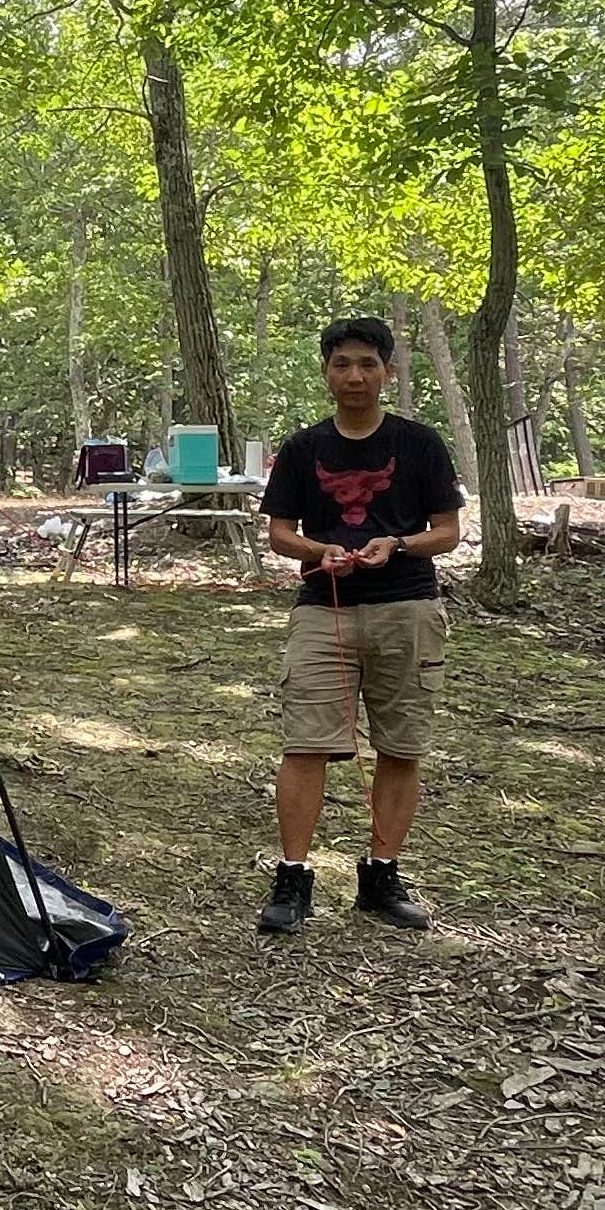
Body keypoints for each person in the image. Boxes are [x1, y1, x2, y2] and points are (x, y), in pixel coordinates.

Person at [255, 315, 466, 934]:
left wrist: (396, 545)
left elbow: (447, 532)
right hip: (324, 610)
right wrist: (319, 552)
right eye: (342, 363)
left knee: (401, 745)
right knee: (306, 742)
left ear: (388, 372)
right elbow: (279, 533)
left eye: (367, 364)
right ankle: (293, 878)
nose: (354, 375)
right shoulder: (302, 449)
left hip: (408, 608)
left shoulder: (420, 444)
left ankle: (381, 874)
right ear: (326, 372)